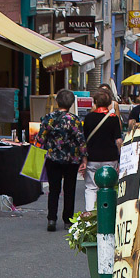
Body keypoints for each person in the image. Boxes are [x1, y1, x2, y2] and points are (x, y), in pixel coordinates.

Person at [38, 89, 87, 232]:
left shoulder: (49, 118)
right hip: (71, 159)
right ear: (72, 103)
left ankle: (52, 219)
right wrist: (84, 157)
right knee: (69, 189)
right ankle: (68, 220)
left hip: (52, 158)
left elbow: (40, 138)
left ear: (57, 101)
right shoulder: (74, 120)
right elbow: (81, 140)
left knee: (54, 189)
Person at [82, 89, 124, 212]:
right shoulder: (113, 118)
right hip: (110, 158)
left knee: (91, 187)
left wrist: (83, 158)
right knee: (109, 186)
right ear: (110, 103)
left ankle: (90, 214)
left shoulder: (88, 118)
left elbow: (84, 140)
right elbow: (118, 141)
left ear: (95, 102)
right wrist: (120, 158)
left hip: (92, 157)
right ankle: (108, 212)